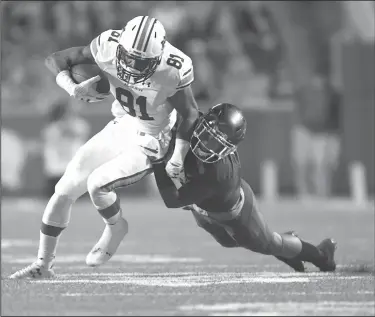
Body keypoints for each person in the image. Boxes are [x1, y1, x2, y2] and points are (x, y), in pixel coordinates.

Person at [9, 15, 199, 279]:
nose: (131, 65)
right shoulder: (108, 44)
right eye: (128, 57)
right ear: (121, 45)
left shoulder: (174, 67)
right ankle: (43, 265)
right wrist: (72, 87)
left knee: (98, 183)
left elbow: (189, 113)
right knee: (63, 190)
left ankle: (115, 226)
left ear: (158, 57)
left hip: (152, 137)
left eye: (140, 61)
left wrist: (178, 155)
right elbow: (56, 59)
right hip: (122, 124)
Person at [150, 103, 337, 273]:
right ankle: (288, 247)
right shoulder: (192, 123)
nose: (206, 145)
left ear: (227, 149)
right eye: (207, 135)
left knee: (268, 244)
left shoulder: (219, 174)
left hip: (235, 212)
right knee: (226, 241)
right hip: (202, 205)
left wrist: (157, 159)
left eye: (215, 143)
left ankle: (322, 255)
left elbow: (172, 199)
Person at [42, 100, 90, 198]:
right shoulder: (51, 128)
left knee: (79, 200)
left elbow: (78, 134)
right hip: (56, 170)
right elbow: (51, 139)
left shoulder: (80, 124)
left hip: (75, 170)